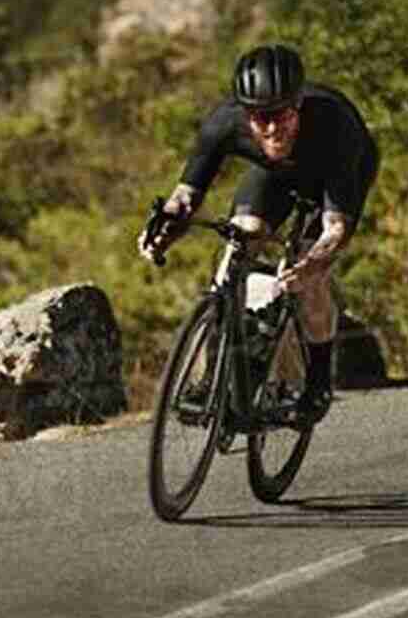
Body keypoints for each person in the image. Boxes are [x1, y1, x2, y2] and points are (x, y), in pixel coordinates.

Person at [139, 44, 379, 424]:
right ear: (244, 113)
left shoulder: (335, 126)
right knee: (239, 242)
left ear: (297, 104)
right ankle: (213, 378)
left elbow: (336, 230)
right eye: (259, 117)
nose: (270, 127)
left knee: (310, 274)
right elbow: (186, 195)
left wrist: (314, 261)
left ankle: (318, 384)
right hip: (275, 175)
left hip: (339, 174)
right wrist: (166, 227)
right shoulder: (224, 124)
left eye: (280, 115)